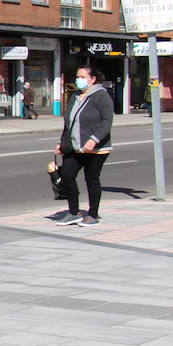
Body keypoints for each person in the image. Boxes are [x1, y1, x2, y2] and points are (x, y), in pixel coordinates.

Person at [53, 65, 113, 227]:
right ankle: (74, 212)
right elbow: (69, 123)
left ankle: (93, 214)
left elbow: (107, 121)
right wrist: (62, 141)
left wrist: (94, 139)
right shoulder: (76, 96)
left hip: (96, 148)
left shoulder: (101, 96)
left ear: (92, 79)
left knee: (91, 179)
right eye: (77, 77)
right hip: (74, 146)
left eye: (82, 77)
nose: (78, 80)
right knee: (67, 175)